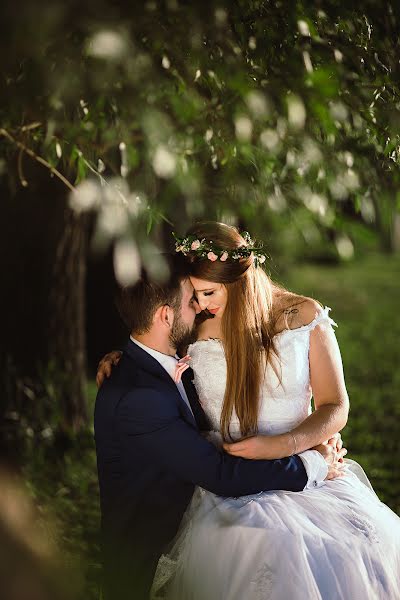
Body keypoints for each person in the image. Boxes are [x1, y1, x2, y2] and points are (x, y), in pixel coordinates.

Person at [98, 222, 400, 600]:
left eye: (208, 293)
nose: (202, 303)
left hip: (301, 464)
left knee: (340, 553)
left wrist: (287, 446)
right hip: (226, 474)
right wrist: (121, 360)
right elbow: (156, 342)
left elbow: (335, 405)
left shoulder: (302, 315)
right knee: (252, 547)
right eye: (194, 294)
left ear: (239, 281)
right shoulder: (199, 323)